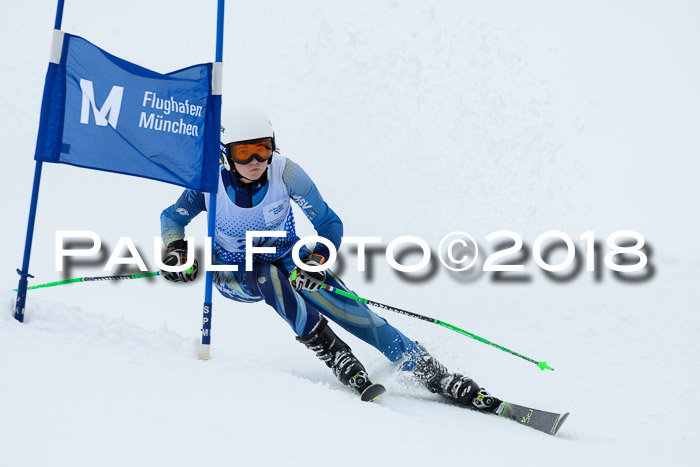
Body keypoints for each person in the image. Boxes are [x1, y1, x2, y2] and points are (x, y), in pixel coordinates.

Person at [160, 105, 500, 409]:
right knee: (264, 272)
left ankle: (431, 372)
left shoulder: (286, 172)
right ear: (224, 154)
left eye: (262, 149)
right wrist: (177, 251)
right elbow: (173, 218)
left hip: (287, 257)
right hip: (235, 272)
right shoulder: (208, 182)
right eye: (243, 152)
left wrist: (317, 260)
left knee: (352, 312)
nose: (254, 162)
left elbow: (328, 223)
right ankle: (335, 353)